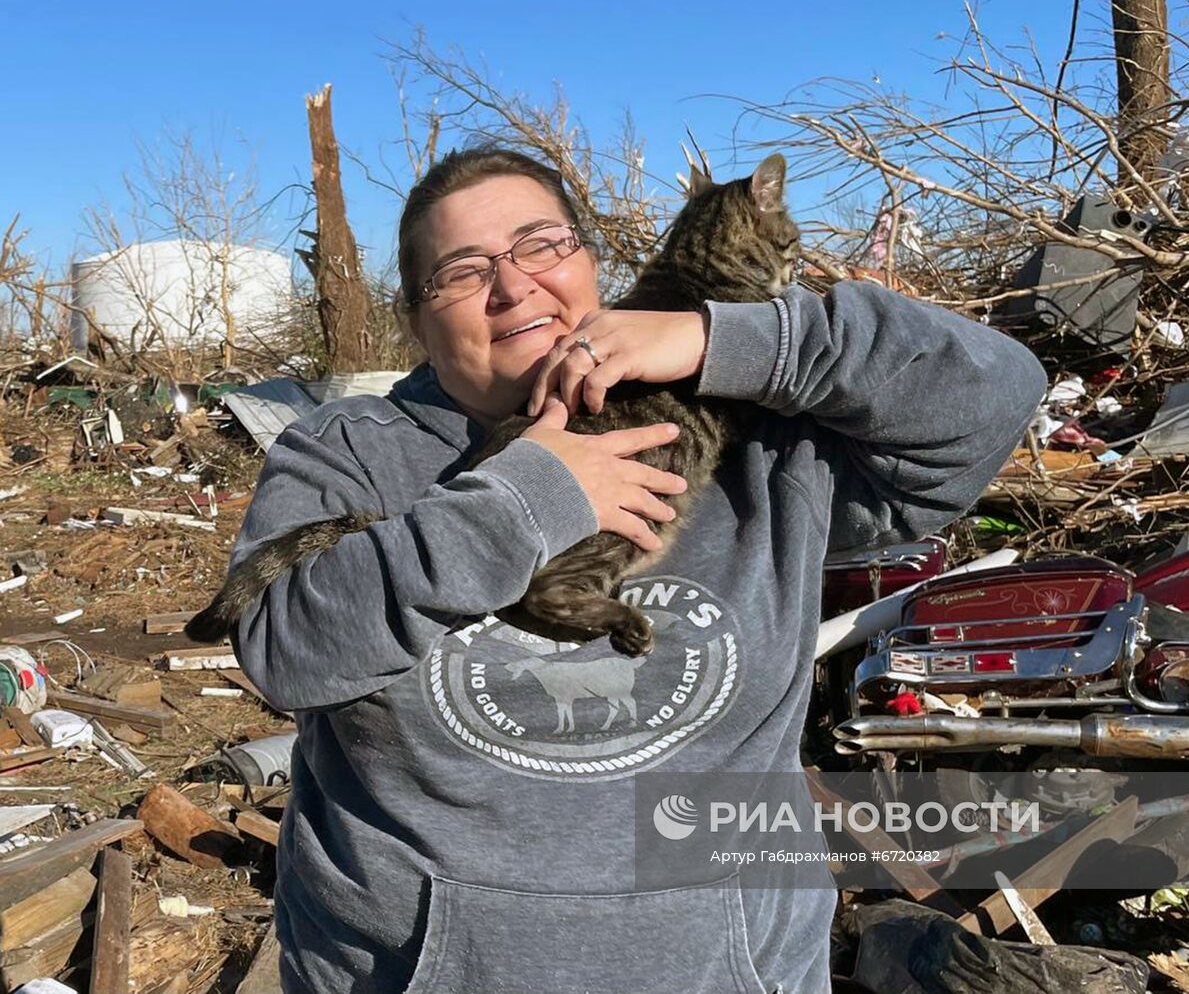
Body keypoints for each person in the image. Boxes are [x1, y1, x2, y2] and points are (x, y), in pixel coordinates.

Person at [231, 146, 1047, 994]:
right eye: (461, 271)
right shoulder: (352, 452)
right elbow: (286, 651)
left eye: (541, 244)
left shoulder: (754, 433)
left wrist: (727, 336)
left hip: (726, 970)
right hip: (416, 971)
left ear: (592, 263)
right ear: (416, 317)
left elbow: (993, 392)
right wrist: (520, 501)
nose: (513, 287)